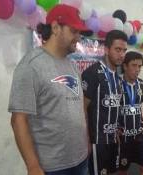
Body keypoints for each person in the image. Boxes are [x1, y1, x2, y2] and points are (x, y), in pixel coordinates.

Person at [8, 4, 90, 175]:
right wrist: (32, 166)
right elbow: (18, 120)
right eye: (74, 31)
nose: (78, 37)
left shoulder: (72, 66)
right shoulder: (31, 66)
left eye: (79, 33)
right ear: (55, 28)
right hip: (52, 167)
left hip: (81, 159)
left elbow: (79, 106)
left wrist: (86, 140)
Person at [81, 30, 128, 175]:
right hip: (97, 142)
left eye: (124, 50)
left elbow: (115, 106)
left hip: (113, 140)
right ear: (106, 49)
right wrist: (86, 140)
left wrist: (118, 128)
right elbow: (82, 108)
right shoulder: (92, 73)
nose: (121, 54)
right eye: (117, 49)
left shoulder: (119, 77)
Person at [118, 51, 143, 175]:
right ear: (125, 66)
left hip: (139, 136)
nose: (137, 69)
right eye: (134, 65)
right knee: (122, 170)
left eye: (140, 66)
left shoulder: (141, 84)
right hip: (123, 138)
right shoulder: (117, 84)